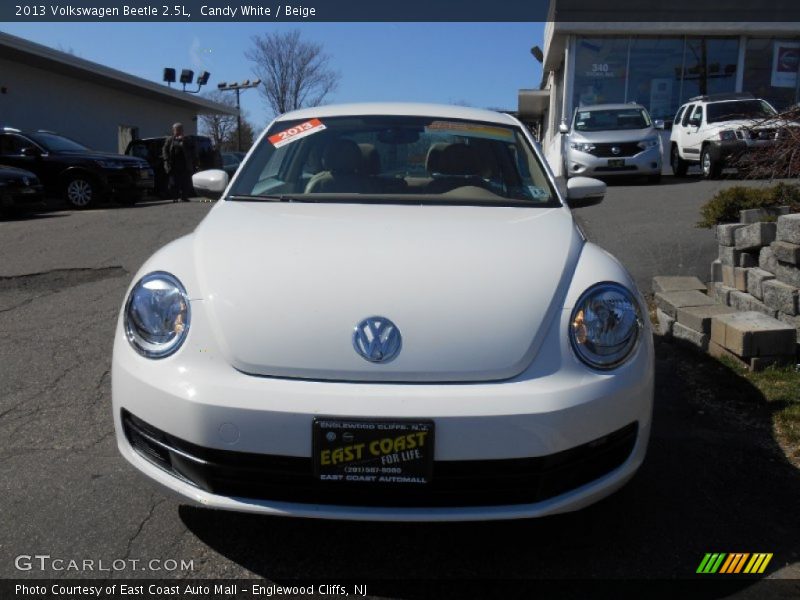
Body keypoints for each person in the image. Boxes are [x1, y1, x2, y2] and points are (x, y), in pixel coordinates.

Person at [162, 123, 197, 202]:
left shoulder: (187, 139)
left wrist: (184, 141)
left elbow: (193, 149)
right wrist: (166, 159)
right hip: (173, 165)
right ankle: (175, 197)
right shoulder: (170, 140)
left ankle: (184, 197)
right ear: (173, 130)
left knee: (185, 182)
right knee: (174, 182)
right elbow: (164, 149)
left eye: (180, 129)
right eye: (176, 130)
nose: (178, 131)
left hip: (185, 165)